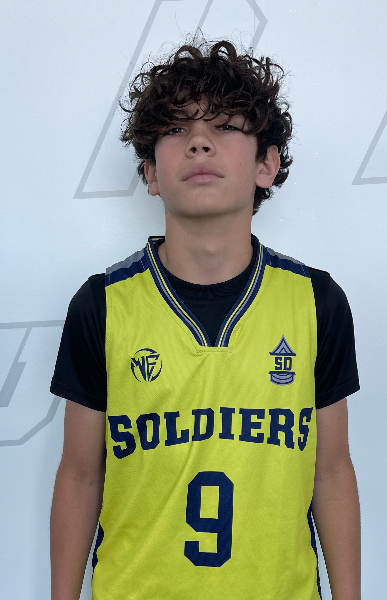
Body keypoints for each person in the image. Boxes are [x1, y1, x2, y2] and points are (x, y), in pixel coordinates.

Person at [50, 39, 361, 600]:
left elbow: (332, 471)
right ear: (150, 171)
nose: (199, 141)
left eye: (226, 127)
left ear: (266, 165)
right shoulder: (102, 304)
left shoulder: (316, 301)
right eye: (176, 129)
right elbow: (79, 475)